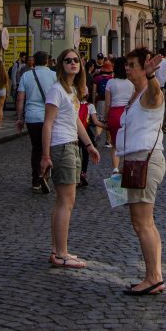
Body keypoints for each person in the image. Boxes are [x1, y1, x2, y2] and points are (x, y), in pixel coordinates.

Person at [40, 48, 100, 269]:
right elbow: (48, 123)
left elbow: (76, 121)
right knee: (67, 202)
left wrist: (89, 145)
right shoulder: (56, 90)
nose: (73, 63)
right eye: (68, 61)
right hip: (61, 146)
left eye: (76, 60)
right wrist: (45, 155)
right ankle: (62, 254)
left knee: (62, 202)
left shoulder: (71, 91)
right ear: (60, 65)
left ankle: (58, 249)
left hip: (72, 145)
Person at [117, 49, 166, 295]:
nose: (127, 68)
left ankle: (153, 278)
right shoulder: (136, 94)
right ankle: (154, 275)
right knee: (145, 223)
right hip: (135, 161)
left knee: (142, 223)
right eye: (126, 64)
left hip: (143, 161)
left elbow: (157, 94)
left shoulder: (149, 93)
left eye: (132, 65)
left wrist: (151, 77)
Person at [15, 50, 56, 193]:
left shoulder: (27, 75)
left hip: (32, 117)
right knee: (48, 147)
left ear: (34, 61)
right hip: (49, 117)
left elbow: (20, 98)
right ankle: (45, 174)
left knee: (36, 148)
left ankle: (36, 180)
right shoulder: (53, 75)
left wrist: (20, 118)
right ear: (47, 61)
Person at [104, 57, 134, 173]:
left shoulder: (110, 82)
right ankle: (126, 167)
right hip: (127, 112)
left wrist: (106, 119)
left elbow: (107, 103)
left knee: (115, 144)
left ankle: (115, 168)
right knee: (127, 143)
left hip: (114, 113)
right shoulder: (131, 83)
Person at [92, 53, 114, 143]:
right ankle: (108, 141)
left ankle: (97, 135)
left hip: (100, 101)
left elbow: (94, 91)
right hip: (110, 102)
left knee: (99, 120)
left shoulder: (97, 78)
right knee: (108, 121)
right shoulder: (112, 79)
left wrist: (93, 102)